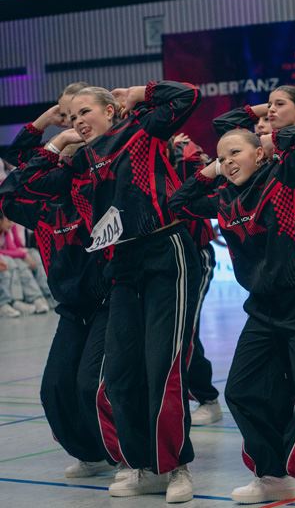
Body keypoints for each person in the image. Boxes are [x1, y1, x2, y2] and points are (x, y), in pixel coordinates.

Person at [35, 82, 202, 503]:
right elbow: (25, 183)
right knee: (121, 372)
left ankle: (175, 467)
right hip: (123, 265)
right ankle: (141, 463)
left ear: (110, 111)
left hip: (166, 252)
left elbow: (187, 96)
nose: (78, 121)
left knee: (162, 365)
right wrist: (56, 140)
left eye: (85, 112)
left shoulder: (141, 131)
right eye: (72, 116)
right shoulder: (82, 161)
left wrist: (139, 93)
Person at [170, 90, 295, 507]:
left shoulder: (285, 178)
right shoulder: (223, 197)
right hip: (261, 309)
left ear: (259, 154)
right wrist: (211, 169)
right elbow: (178, 202)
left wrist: (265, 139)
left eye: (236, 153)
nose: (228, 161)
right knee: (241, 391)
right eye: (222, 156)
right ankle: (272, 474)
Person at [0, 106, 112, 478]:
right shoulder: (45, 209)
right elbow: (9, 194)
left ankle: (123, 453)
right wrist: (55, 134)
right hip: (72, 308)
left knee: (90, 385)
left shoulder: (95, 195)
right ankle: (90, 454)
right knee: (54, 389)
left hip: (109, 303)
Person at [168, 133, 222, 426]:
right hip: (156, 259)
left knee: (185, 330)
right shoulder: (119, 154)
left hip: (194, 254)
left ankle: (206, 398)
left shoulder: (185, 152)